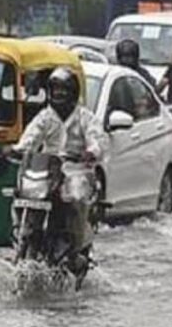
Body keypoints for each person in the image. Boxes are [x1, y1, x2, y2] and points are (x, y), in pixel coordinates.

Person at [11, 67, 106, 255]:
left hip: (76, 172)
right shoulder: (45, 117)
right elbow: (31, 137)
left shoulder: (85, 117)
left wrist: (90, 152)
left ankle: (75, 245)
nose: (59, 94)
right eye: (55, 89)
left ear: (73, 92)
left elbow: (98, 140)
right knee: (20, 194)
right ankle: (21, 234)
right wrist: (17, 149)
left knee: (78, 197)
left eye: (64, 90)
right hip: (47, 172)